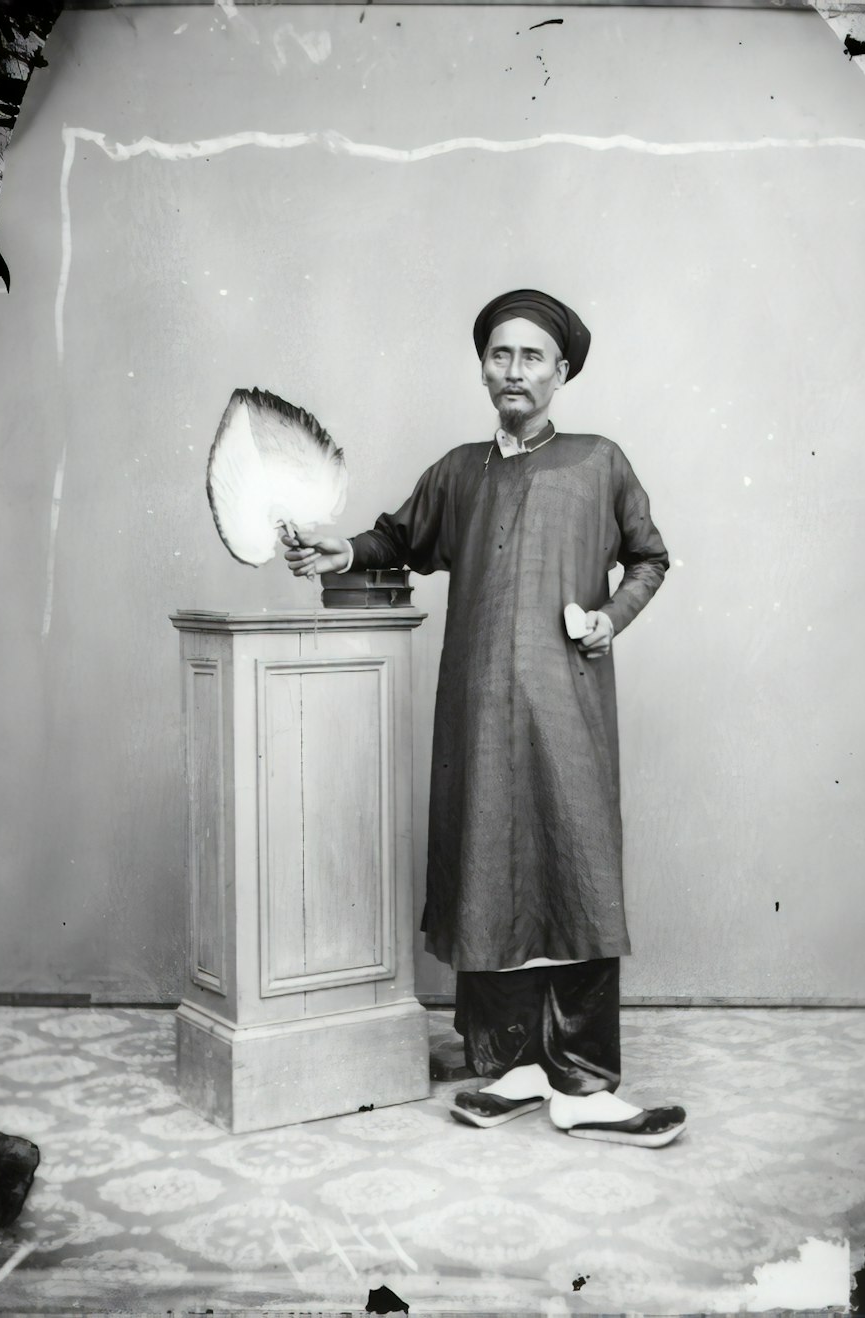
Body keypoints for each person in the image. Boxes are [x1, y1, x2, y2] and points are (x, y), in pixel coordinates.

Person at [284, 289, 685, 1147]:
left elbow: (649, 557)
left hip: (565, 706)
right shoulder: (459, 471)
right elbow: (398, 538)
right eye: (500, 355)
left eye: (532, 357)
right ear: (483, 367)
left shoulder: (598, 462)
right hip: (473, 709)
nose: (514, 371)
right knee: (486, 868)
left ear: (562, 370)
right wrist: (342, 547)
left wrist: (610, 618)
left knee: (572, 870)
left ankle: (584, 1086)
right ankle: (510, 1069)